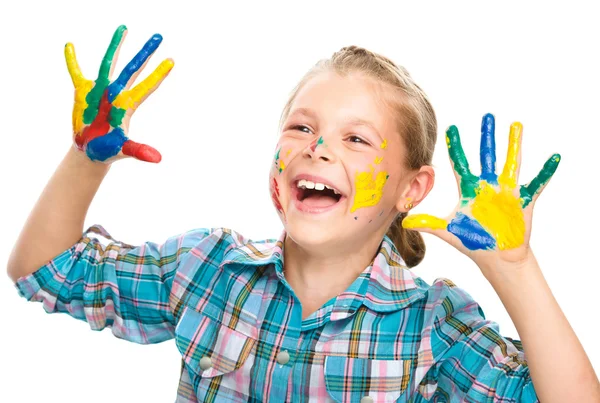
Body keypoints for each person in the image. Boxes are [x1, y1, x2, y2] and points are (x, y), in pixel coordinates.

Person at [7, 25, 599, 403]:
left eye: (356, 140)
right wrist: (85, 156)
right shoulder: (205, 269)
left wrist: (515, 268)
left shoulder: (433, 326)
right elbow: (43, 270)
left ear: (411, 190)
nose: (318, 148)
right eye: (302, 128)